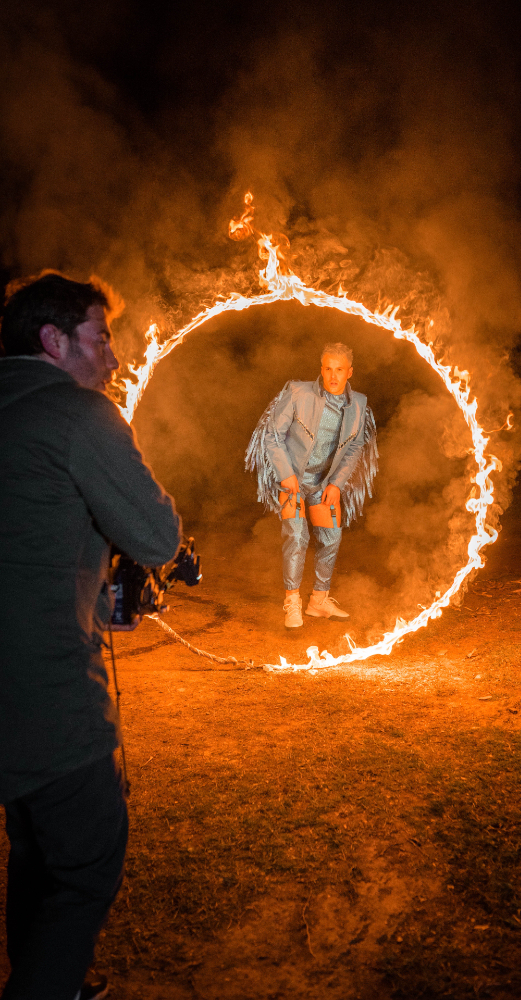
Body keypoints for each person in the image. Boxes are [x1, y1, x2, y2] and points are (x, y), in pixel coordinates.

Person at [0, 272, 182, 1000]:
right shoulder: (81, 415)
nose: (113, 358)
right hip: (45, 690)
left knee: (36, 850)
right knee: (87, 864)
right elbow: (157, 535)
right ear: (55, 340)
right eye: (100, 337)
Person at [246, 342, 378, 627]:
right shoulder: (297, 392)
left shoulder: (359, 404)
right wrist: (285, 474)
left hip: (323, 484)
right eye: (328, 368)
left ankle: (319, 601)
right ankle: (292, 602)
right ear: (321, 369)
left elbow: (355, 447)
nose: (333, 376)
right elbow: (272, 435)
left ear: (349, 372)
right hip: (292, 481)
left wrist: (337, 484)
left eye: (339, 370)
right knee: (296, 536)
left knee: (331, 537)